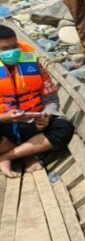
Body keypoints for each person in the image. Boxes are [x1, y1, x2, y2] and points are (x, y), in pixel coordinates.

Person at [0, 25, 76, 177]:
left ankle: (8, 156)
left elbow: (51, 98)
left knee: (64, 127)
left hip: (32, 124)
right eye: (5, 48)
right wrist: (5, 118)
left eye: (14, 46)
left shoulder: (33, 62)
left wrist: (46, 116)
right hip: (3, 127)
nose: (12, 52)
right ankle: (27, 155)